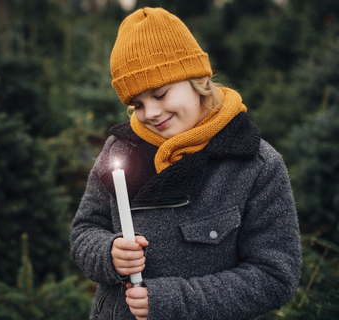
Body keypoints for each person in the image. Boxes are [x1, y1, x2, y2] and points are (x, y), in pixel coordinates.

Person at [70, 7, 301, 320]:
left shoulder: (256, 164)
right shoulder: (120, 150)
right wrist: (108, 253)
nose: (150, 112)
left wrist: (174, 301)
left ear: (199, 79)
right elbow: (85, 230)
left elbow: (275, 277)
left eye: (160, 94)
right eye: (137, 104)